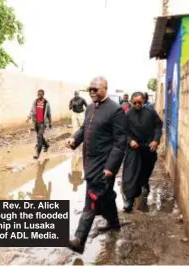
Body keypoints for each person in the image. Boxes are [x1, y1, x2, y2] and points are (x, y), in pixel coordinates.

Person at [65, 76, 127, 254]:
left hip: (103, 165)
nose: (91, 92)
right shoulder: (90, 107)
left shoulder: (116, 111)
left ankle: (79, 239)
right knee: (106, 196)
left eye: (95, 89)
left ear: (105, 88)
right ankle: (114, 223)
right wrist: (74, 139)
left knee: (91, 198)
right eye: (89, 89)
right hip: (88, 161)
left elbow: (120, 142)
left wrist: (110, 168)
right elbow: (85, 129)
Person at [122, 92, 163, 213]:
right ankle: (129, 199)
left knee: (146, 169)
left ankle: (144, 183)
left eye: (139, 102)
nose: (137, 105)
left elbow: (158, 126)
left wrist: (156, 140)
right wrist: (130, 141)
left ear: (144, 101)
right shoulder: (127, 114)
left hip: (148, 147)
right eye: (134, 103)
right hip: (134, 148)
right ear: (131, 101)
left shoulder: (150, 111)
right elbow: (124, 131)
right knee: (130, 173)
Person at [26, 89, 52, 159]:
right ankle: (46, 145)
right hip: (36, 122)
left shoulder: (46, 103)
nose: (39, 95)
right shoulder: (35, 102)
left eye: (40, 94)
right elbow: (31, 110)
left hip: (42, 123)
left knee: (39, 137)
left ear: (43, 95)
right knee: (40, 136)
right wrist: (28, 117)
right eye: (38, 94)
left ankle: (37, 153)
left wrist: (50, 122)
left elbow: (49, 114)